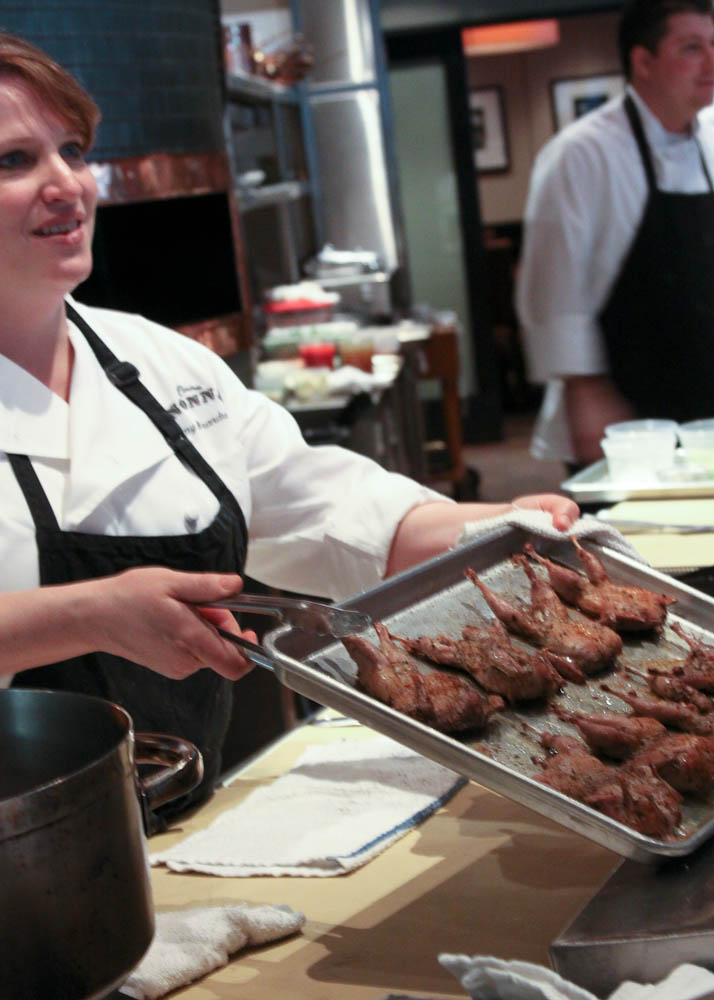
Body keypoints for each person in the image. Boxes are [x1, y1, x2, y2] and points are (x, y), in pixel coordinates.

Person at [0, 31, 578, 818]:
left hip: (182, 827)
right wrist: (87, 616)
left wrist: (504, 528)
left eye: (72, 150)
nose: (67, 183)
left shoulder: (162, 364)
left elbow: (330, 512)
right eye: (15, 160)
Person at [517, 0, 714, 468]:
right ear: (642, 61)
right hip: (627, 416)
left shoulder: (710, 138)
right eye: (692, 48)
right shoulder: (582, 153)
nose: (711, 61)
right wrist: (583, 387)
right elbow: (552, 286)